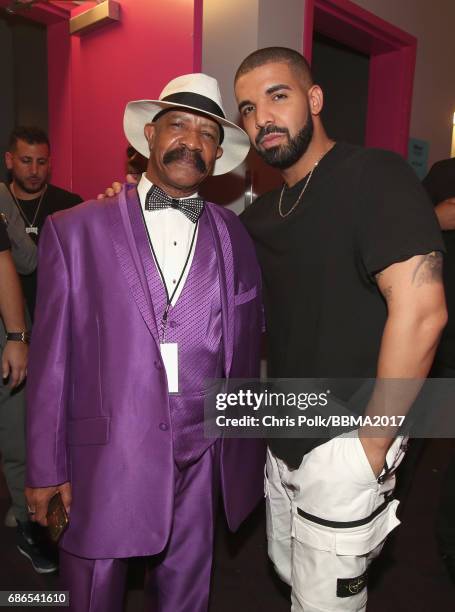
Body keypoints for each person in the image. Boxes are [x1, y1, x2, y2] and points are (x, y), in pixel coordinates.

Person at [25, 73, 265, 612]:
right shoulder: (76, 230)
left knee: (188, 593)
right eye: (178, 125)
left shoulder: (235, 236)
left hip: (203, 451)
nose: (191, 142)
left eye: (207, 134)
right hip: (107, 452)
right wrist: (45, 468)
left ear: (218, 152)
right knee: (93, 591)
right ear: (149, 137)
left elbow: (243, 352)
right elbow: (50, 364)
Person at [235, 47, 447, 611]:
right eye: (248, 109)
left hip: (347, 438)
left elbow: (423, 310)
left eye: (278, 96)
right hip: (282, 437)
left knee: (325, 602)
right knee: (291, 575)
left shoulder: (373, 174)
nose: (263, 120)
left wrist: (370, 446)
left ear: (315, 98)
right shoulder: (260, 215)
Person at [3, 126, 83, 319]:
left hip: (57, 318)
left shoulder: (70, 205)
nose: (34, 170)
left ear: (50, 163)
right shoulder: (2, 202)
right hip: (9, 324)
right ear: (9, 160)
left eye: (41, 162)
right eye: (26, 161)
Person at [422, 158, 455, 582]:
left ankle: (450, 542)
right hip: (436, 337)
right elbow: (397, 226)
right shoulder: (444, 174)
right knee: (406, 439)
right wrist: (436, 219)